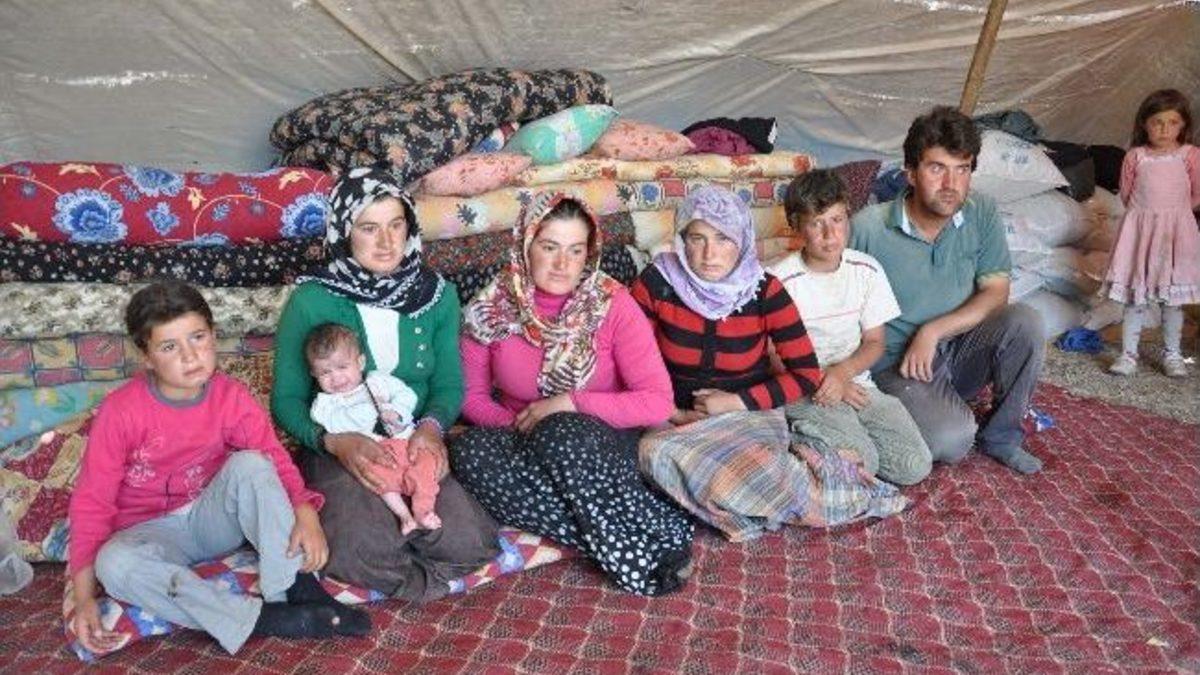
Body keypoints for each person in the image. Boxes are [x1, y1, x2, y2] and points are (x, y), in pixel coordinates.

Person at [69, 280, 369, 656]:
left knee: (253, 464)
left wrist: (304, 510)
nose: (190, 356)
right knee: (113, 564)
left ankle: (296, 587)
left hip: (212, 521)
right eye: (169, 347)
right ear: (146, 356)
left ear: (213, 336)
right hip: (150, 536)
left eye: (197, 338)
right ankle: (265, 619)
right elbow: (92, 503)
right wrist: (83, 598)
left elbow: (274, 458)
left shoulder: (231, 396)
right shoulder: (121, 411)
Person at [449, 192, 694, 597]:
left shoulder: (612, 304)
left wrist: (570, 403)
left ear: (588, 253)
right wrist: (524, 424)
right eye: (549, 247)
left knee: (563, 429)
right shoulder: (490, 307)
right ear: (525, 246)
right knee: (468, 452)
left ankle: (638, 549)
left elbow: (656, 401)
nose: (563, 264)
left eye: (575, 250)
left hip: (600, 444)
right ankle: (633, 537)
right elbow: (470, 397)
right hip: (520, 437)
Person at [271, 166, 499, 601]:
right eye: (369, 228)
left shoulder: (437, 295)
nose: (386, 241)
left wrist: (431, 429)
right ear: (344, 232)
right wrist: (333, 442)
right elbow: (286, 400)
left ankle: (416, 568)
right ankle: (413, 576)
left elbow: (449, 384)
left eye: (396, 225)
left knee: (469, 540)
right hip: (341, 445)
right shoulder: (311, 300)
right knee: (365, 549)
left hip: (410, 440)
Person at [632, 186, 907, 542]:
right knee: (652, 454)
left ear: (743, 240)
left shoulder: (765, 291)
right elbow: (631, 364)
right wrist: (673, 413)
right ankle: (763, 503)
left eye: (723, 239)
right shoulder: (657, 283)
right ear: (682, 240)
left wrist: (735, 402)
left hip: (748, 415)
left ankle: (754, 497)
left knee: (745, 467)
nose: (709, 254)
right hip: (670, 421)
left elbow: (805, 375)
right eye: (697, 239)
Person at [851, 106, 1045, 475]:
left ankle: (1002, 437)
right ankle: (918, 413)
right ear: (910, 173)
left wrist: (934, 330)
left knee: (1026, 321)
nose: (951, 184)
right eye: (937, 168)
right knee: (951, 441)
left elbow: (996, 291)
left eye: (963, 169)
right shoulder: (868, 229)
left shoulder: (980, 210)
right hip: (898, 364)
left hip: (958, 347)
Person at [768, 169, 933, 486]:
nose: (830, 234)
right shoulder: (780, 281)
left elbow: (874, 342)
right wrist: (823, 380)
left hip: (857, 382)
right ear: (796, 225)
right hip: (805, 388)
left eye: (837, 220)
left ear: (848, 217)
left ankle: (843, 445)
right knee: (863, 462)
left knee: (914, 465)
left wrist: (842, 374)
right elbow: (772, 355)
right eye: (816, 223)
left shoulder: (866, 269)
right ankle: (799, 438)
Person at [1099, 88, 1200, 377]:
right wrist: (1146, 218)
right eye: (1157, 122)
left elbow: (1196, 194)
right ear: (1144, 124)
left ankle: (1173, 354)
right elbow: (1127, 194)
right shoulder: (1136, 156)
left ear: (1183, 125)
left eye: (1173, 122)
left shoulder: (1190, 155)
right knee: (1136, 296)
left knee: (1172, 300)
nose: (1165, 130)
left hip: (1175, 236)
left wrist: (1175, 216)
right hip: (1140, 234)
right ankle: (1128, 355)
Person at [306, 322, 441, 535]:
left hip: (406, 441)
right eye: (325, 372)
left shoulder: (378, 381)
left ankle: (423, 510)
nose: (336, 378)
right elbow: (332, 424)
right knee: (375, 478)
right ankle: (404, 515)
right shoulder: (325, 405)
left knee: (427, 464)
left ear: (360, 362)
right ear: (314, 374)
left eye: (342, 367)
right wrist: (365, 413)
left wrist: (396, 411)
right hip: (375, 451)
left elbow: (407, 395)